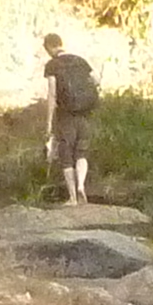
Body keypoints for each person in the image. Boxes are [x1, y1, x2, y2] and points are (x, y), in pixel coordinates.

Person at [40, 33, 97, 207]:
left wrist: (49, 122)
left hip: (66, 115)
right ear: (61, 44)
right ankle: (81, 186)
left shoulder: (52, 65)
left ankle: (73, 197)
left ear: (49, 47)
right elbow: (96, 80)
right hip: (85, 113)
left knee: (66, 155)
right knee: (81, 153)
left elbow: (52, 94)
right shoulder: (81, 61)